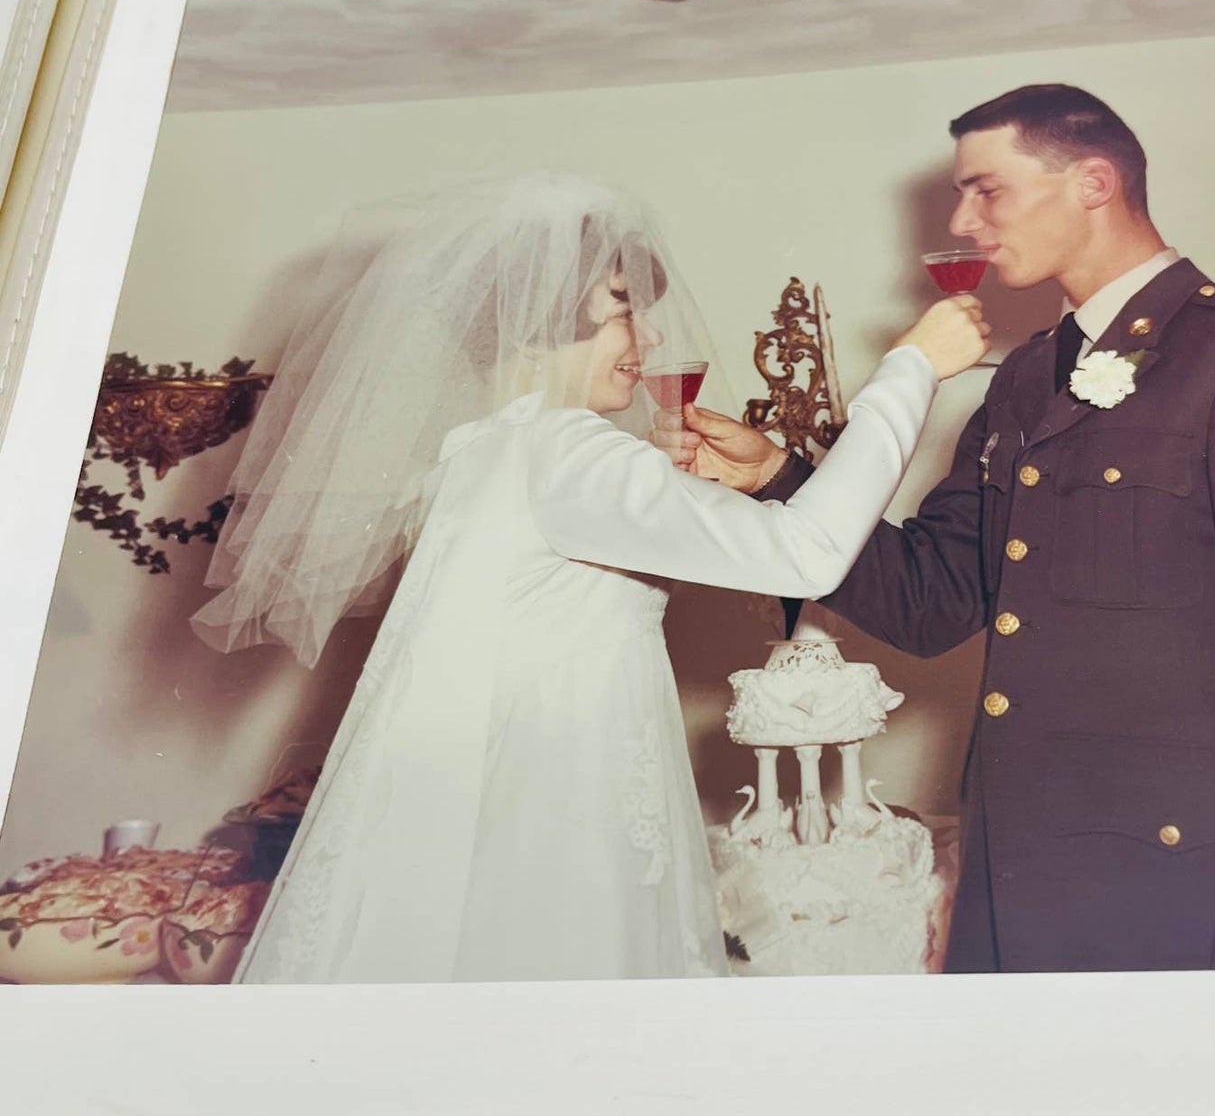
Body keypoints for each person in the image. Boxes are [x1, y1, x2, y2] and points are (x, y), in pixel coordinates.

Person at [659, 84, 1215, 973]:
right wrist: (775, 479)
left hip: (1186, 901)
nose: (962, 218)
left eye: (986, 190)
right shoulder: (1024, 381)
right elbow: (930, 600)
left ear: (1093, 182)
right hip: (1029, 882)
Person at [189, 173, 987, 982]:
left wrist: (669, 488)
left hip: (500, 796)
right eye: (619, 309)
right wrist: (910, 369)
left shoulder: (479, 450)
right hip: (561, 810)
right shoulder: (570, 452)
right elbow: (805, 554)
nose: (645, 335)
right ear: (536, 323)